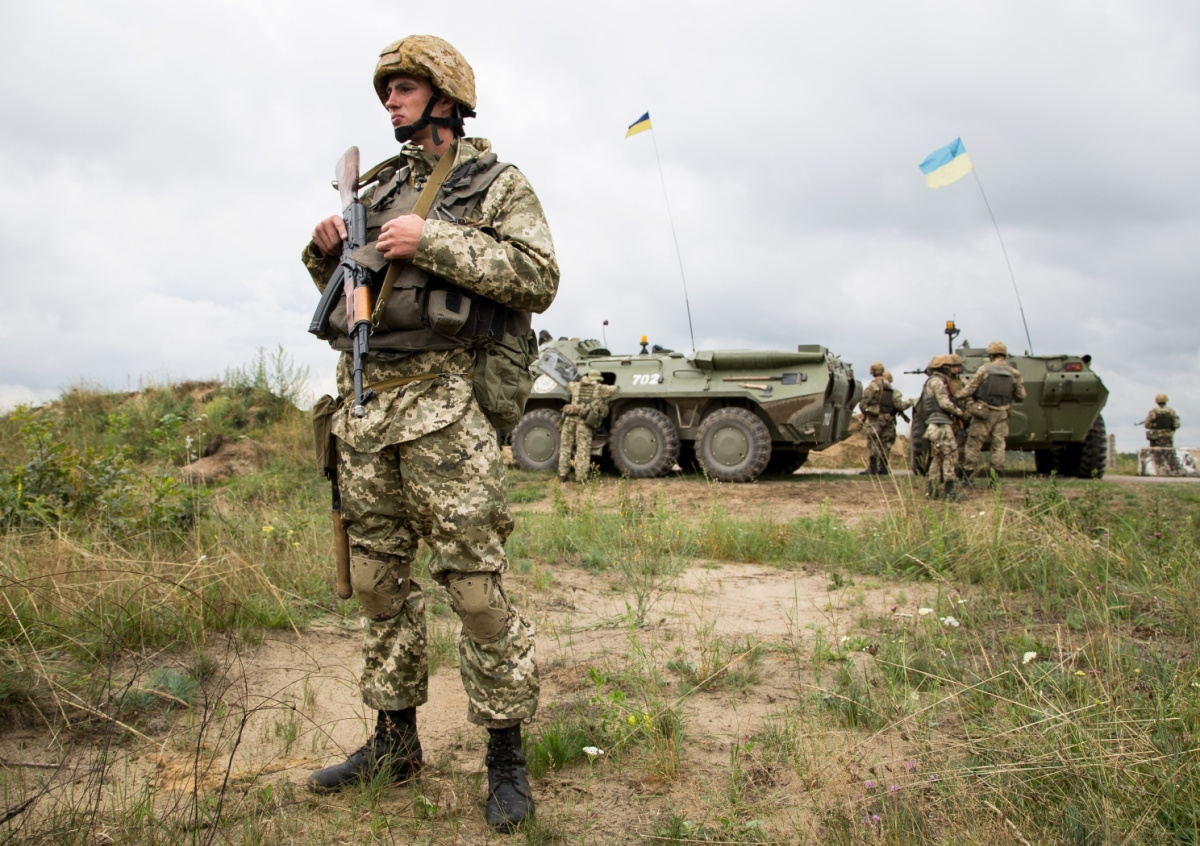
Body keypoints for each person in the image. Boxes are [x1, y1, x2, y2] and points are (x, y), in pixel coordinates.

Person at [301, 35, 558, 830]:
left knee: (475, 589)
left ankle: (505, 759)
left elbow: (539, 276)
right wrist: (326, 253)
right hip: (369, 408)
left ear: (446, 95)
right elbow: (354, 300)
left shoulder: (495, 182)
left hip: (448, 409)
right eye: (387, 89)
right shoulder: (376, 190)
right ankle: (394, 743)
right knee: (378, 585)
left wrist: (433, 238)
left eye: (405, 86)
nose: (391, 99)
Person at [955, 341, 1027, 482]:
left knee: (974, 445)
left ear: (991, 355)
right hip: (1003, 413)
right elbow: (1021, 395)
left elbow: (970, 389)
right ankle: (995, 480)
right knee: (999, 446)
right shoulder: (1014, 373)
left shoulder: (984, 369)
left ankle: (968, 479)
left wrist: (956, 396)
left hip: (984, 412)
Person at [558, 370, 619, 482]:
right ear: (598, 380)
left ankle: (562, 474)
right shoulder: (600, 389)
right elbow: (615, 389)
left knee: (565, 447)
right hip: (584, 422)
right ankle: (581, 477)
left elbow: (567, 385)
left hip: (569, 420)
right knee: (582, 449)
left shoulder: (575, 386)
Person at [920, 355, 967, 499]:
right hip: (941, 423)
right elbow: (944, 403)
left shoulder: (930, 381)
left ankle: (932, 491)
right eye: (948, 366)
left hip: (934, 424)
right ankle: (949, 491)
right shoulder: (938, 383)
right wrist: (960, 412)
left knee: (937, 458)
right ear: (943, 367)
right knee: (949, 455)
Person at [858, 362, 911, 474]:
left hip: (876, 420)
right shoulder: (891, 388)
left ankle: (873, 467)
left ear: (872, 372)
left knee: (873, 442)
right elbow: (898, 405)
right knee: (886, 444)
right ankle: (884, 468)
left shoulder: (872, 387)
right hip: (889, 420)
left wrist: (868, 411)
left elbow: (863, 404)